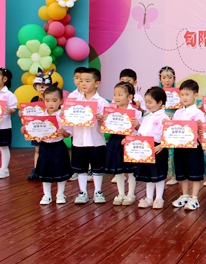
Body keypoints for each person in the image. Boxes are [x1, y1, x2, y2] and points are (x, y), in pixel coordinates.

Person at [69, 68, 110, 203]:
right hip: (79, 141)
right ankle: (83, 192)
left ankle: (98, 191)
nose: (83, 84)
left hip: (96, 141)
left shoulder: (102, 102)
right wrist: (66, 115)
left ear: (97, 83)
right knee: (81, 168)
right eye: (81, 81)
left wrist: (102, 119)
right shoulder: (73, 101)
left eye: (87, 81)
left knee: (97, 168)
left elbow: (108, 124)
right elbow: (67, 121)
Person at [27, 85, 72, 204]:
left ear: (61, 101)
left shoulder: (63, 115)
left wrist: (63, 132)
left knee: (61, 170)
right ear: (43, 100)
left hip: (58, 146)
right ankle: (46, 194)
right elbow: (34, 130)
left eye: (54, 100)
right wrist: (26, 129)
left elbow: (68, 133)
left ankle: (60, 194)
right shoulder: (40, 115)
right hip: (45, 146)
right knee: (44, 170)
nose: (50, 103)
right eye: (47, 100)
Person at [104, 82, 141, 206]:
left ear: (129, 97)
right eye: (115, 94)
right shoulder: (110, 111)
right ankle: (121, 193)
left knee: (131, 170)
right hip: (115, 140)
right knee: (118, 169)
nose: (116, 97)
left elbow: (141, 130)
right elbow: (106, 127)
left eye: (120, 95)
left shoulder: (135, 112)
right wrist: (103, 120)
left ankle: (131, 194)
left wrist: (137, 124)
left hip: (129, 141)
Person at [171, 80, 206, 211]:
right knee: (182, 171)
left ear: (195, 95)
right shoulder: (178, 113)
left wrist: (199, 127)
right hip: (180, 147)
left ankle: (194, 197)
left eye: (187, 94)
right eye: (182, 94)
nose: (184, 97)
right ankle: (184, 195)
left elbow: (203, 133)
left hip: (194, 148)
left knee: (195, 171)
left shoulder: (199, 113)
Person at [136, 87, 170, 209]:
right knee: (149, 174)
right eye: (146, 102)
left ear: (160, 102)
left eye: (150, 102)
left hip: (158, 148)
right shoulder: (147, 117)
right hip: (146, 148)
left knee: (159, 174)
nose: (147, 105)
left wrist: (162, 145)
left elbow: (168, 135)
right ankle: (149, 197)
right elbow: (140, 133)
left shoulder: (164, 117)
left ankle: (159, 198)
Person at [25, 68, 53, 179]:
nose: (42, 87)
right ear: (35, 86)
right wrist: (23, 113)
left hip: (48, 128)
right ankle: (36, 169)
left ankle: (49, 169)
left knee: (49, 149)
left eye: (45, 85)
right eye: (39, 85)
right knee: (37, 149)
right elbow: (29, 113)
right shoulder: (34, 99)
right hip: (36, 128)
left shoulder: (52, 99)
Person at [0, 67, 17, 179]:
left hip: (4, 126)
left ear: (4, 79)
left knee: (3, 146)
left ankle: (4, 168)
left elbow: (13, 108)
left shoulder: (9, 95)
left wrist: (9, 110)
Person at [158, 66, 178, 186]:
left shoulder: (178, 94)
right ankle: (161, 173)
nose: (167, 80)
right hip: (160, 122)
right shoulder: (157, 93)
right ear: (160, 79)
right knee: (160, 147)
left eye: (170, 77)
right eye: (164, 77)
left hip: (173, 121)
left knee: (172, 149)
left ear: (174, 79)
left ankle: (174, 174)